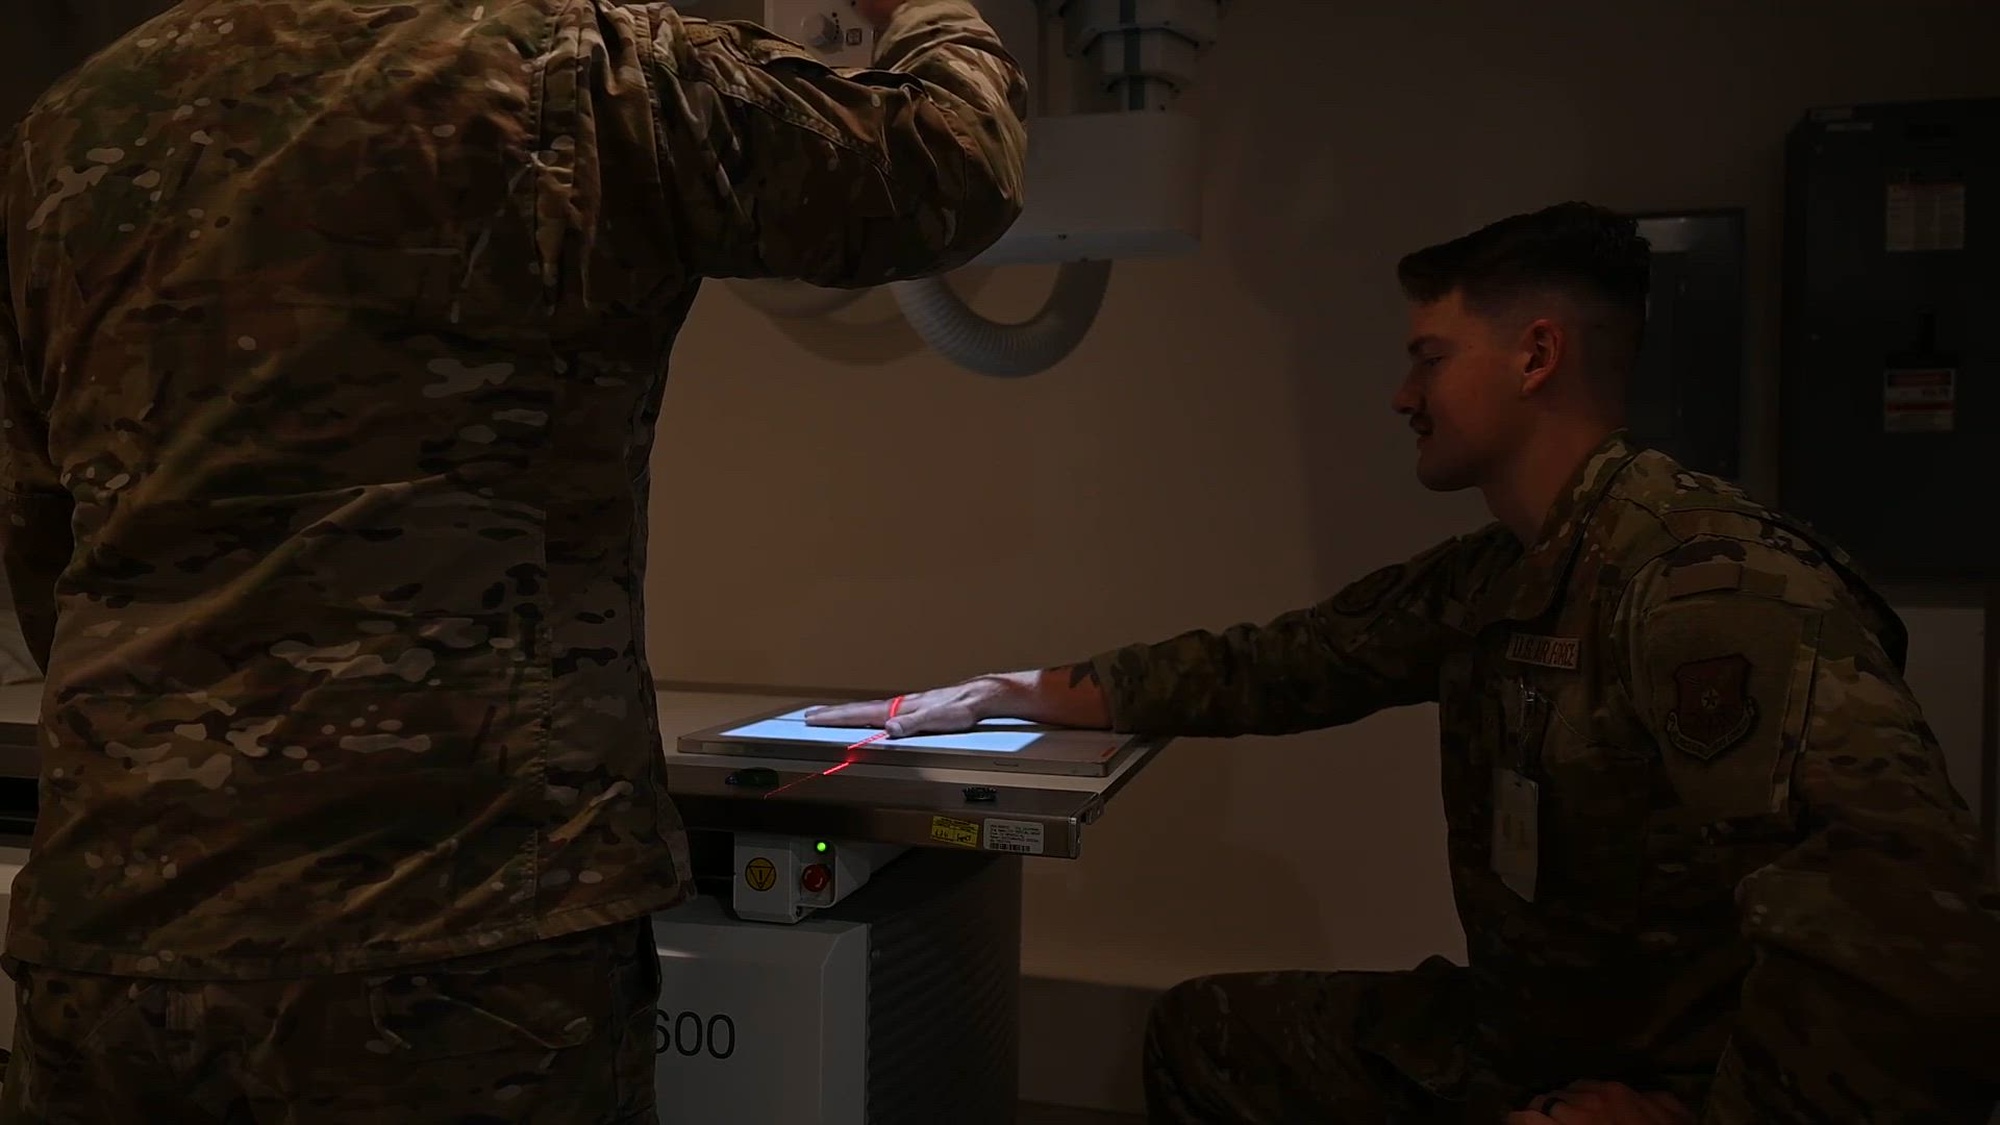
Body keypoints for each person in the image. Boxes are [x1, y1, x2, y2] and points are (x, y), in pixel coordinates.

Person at [0, 0, 1026, 1119]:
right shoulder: (582, 69)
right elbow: (945, 169)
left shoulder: (75, 120)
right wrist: (920, 10)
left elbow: (45, 530)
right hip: (461, 940)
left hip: (116, 936)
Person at [806, 203, 2000, 1123]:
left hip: (1679, 1076)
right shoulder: (1502, 575)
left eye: (1427, 358)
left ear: (1534, 356)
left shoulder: (1710, 588)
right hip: (1528, 1034)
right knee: (1206, 1036)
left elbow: (1913, 937)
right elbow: (1279, 665)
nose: (1399, 394)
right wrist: (1017, 693)